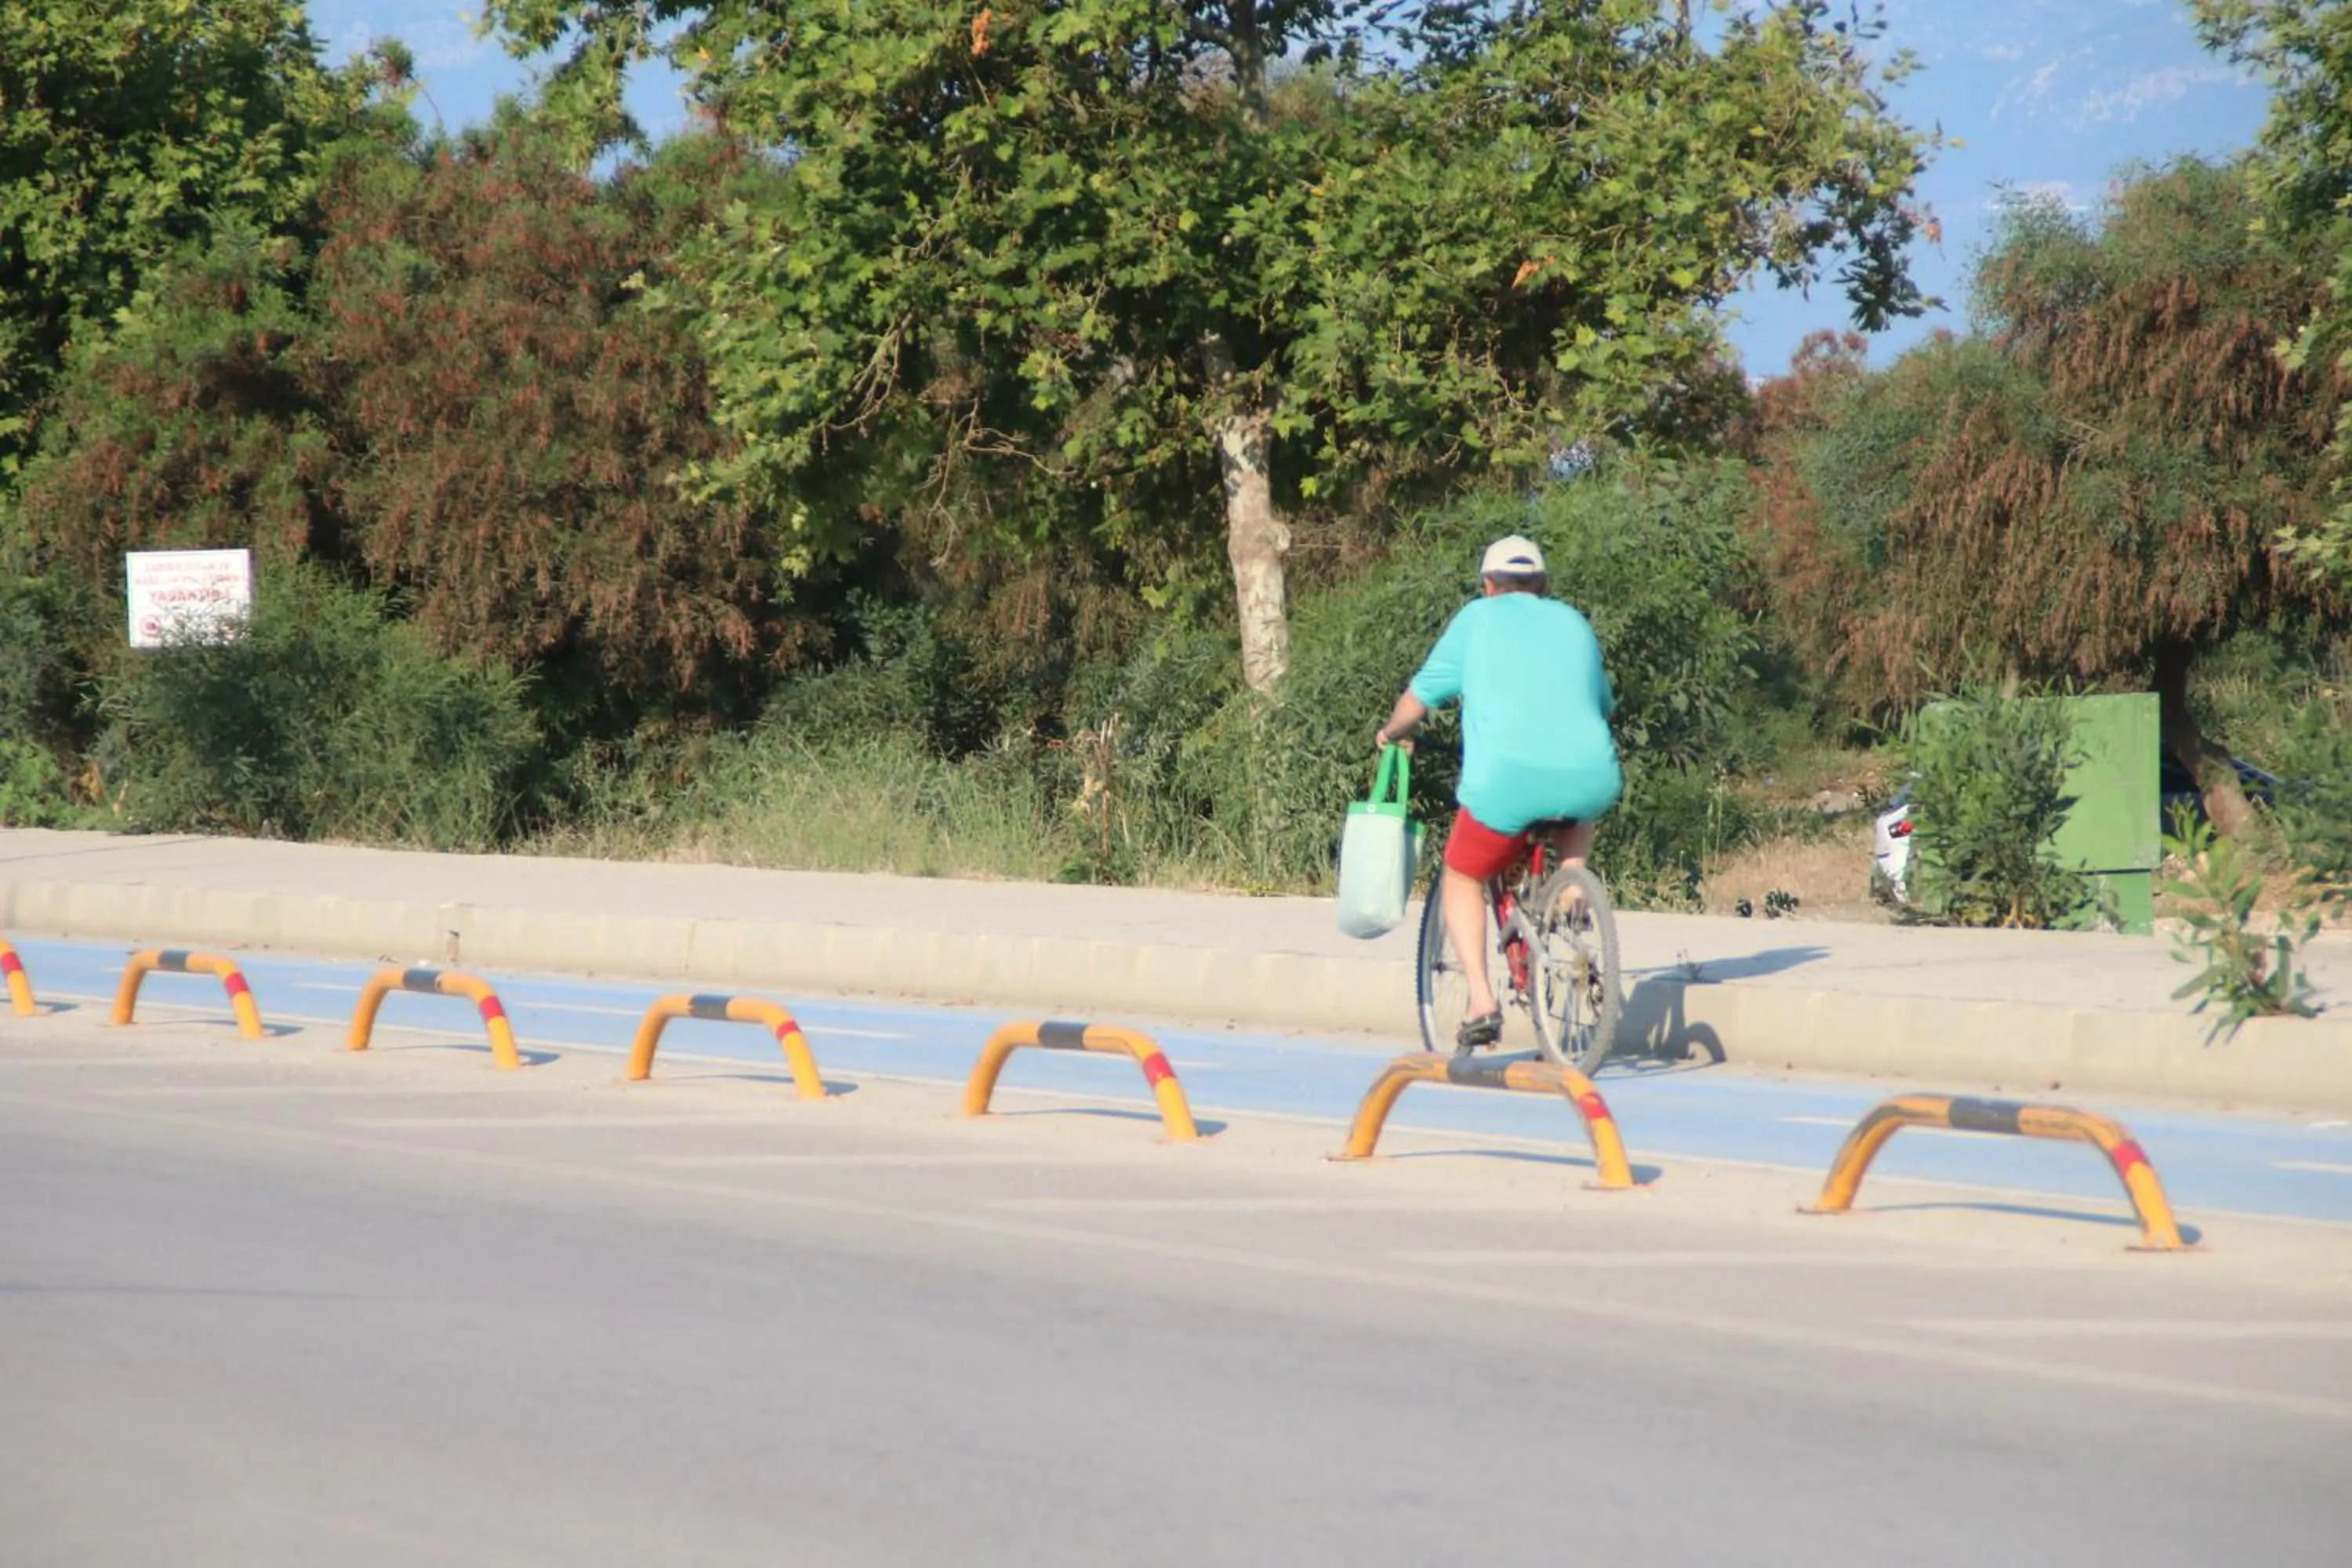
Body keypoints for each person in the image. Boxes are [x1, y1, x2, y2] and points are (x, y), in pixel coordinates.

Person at [1374, 534, 1622, 1051]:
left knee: (1463, 874)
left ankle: (1482, 1001)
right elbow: (1604, 703)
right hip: (1588, 773)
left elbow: (1420, 697)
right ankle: (1573, 880)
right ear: (1544, 586)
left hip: (1507, 783)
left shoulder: (1475, 620)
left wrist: (1393, 733)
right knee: (1579, 799)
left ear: (1488, 586)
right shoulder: (1573, 621)